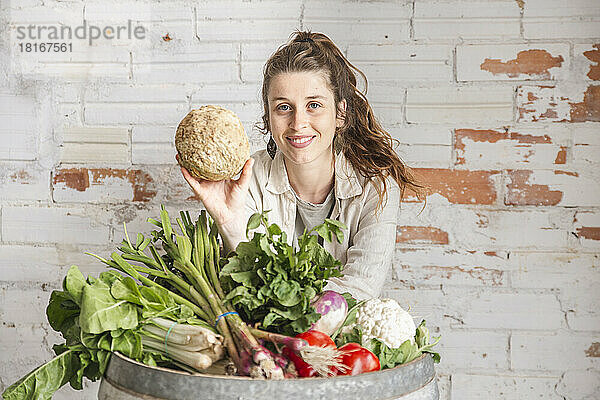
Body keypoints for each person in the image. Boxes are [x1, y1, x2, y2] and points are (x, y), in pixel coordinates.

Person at [178, 31, 423, 300]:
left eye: (314, 105)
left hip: (344, 338)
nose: (298, 123)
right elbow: (250, 288)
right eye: (284, 107)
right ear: (268, 117)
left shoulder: (375, 187)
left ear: (340, 114)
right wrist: (229, 223)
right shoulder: (249, 180)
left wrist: (290, 306)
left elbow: (360, 290)